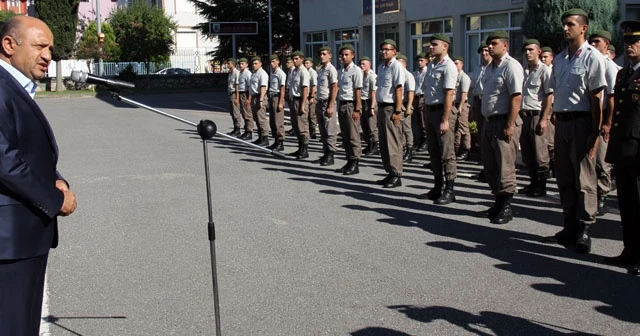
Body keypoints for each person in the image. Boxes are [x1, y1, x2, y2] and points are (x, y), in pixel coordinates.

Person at [0, 16, 77, 336]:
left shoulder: (13, 86)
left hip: (22, 235)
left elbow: (25, 151)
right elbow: (4, 160)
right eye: (40, 46)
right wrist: (55, 197)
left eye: (51, 48)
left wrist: (57, 179)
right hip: (8, 239)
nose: (48, 55)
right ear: (8, 45)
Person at [543, 8, 607, 254]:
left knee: (584, 178)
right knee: (565, 177)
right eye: (564, 24)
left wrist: (595, 132)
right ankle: (568, 226)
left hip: (582, 123)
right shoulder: (560, 59)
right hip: (563, 123)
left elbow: (596, 98)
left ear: (583, 28)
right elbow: (553, 93)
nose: (565, 28)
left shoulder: (592, 57)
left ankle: (584, 229)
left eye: (570, 24)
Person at [603, 20, 640, 275]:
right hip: (625, 148)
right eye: (626, 42)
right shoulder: (623, 73)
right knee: (627, 202)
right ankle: (630, 250)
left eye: (635, 42)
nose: (629, 46)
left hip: (639, 150)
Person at [477, 30, 524, 224]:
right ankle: (497, 202)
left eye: (494, 43)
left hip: (504, 122)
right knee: (491, 166)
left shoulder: (511, 66)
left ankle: (506, 207)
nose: (490, 47)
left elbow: (516, 97)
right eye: (489, 44)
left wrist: (510, 124)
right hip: (489, 123)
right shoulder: (490, 68)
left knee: (505, 166)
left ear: (505, 45)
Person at [419, 34, 458, 204]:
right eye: (430, 44)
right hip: (430, 111)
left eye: (434, 44)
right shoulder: (433, 65)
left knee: (447, 153)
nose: (431, 47)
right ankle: (437, 186)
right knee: (433, 152)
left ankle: (450, 190)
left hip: (442, 111)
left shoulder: (449, 66)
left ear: (445, 46)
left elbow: (449, 93)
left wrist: (445, 119)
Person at [589, 30, 620, 216]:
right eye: (591, 42)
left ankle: (602, 196)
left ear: (606, 45)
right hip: (592, 115)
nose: (593, 45)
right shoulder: (592, 62)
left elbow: (612, 97)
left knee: (601, 161)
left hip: (604, 117)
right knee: (590, 160)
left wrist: (608, 122)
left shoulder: (609, 66)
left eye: (597, 42)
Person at [519, 39, 553, 198]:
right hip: (524, 115)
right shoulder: (524, 70)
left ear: (539, 51)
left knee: (540, 154)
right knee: (527, 153)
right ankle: (533, 183)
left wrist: (544, 119)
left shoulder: (544, 70)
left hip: (537, 115)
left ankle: (541, 186)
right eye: (526, 50)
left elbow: (549, 96)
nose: (527, 53)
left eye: (531, 50)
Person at [376, 39, 405, 188]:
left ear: (394, 51)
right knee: (384, 142)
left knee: (393, 142)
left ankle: (396, 174)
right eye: (382, 49)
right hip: (381, 107)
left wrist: (398, 111)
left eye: (387, 49)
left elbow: (399, 89)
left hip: (391, 107)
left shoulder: (396, 66)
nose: (384, 51)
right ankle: (389, 172)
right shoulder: (382, 67)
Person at [336, 44, 363, 175]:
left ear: (352, 55)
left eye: (347, 54)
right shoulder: (341, 71)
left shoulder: (356, 70)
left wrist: (357, 109)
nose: (344, 57)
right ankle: (348, 160)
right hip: (342, 104)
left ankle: (355, 162)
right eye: (342, 55)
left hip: (351, 105)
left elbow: (358, 90)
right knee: (345, 136)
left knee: (353, 135)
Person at [468, 42, 491, 181]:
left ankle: (492, 170)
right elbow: (474, 89)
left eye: (486, 51)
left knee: (490, 138)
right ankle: (486, 168)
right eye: (482, 51)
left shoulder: (494, 68)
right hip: (478, 101)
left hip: (489, 102)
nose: (484, 53)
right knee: (482, 138)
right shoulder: (477, 69)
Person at [315, 46, 339, 166]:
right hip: (319, 102)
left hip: (327, 102)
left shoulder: (331, 69)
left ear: (330, 55)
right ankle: (325, 153)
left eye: (324, 54)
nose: (322, 56)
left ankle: (331, 154)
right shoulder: (321, 69)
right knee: (323, 131)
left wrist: (330, 105)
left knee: (330, 130)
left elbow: (334, 87)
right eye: (320, 54)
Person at [287, 51, 311, 159]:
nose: (295, 61)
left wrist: (302, 104)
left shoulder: (303, 71)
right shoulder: (293, 71)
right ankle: (300, 147)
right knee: (296, 125)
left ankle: (305, 150)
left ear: (301, 59)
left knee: (302, 126)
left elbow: (305, 88)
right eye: (294, 59)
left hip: (300, 100)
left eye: (297, 59)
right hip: (293, 100)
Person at [396, 53, 415, 163]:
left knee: (407, 129)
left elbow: (411, 92)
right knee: (400, 129)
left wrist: (408, 107)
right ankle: (402, 148)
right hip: (398, 104)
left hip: (405, 104)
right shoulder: (397, 74)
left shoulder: (408, 75)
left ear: (404, 63)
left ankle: (409, 149)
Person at [452, 56, 472, 161]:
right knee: (457, 129)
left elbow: (464, 93)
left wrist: (460, 106)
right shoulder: (454, 76)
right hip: (453, 104)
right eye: (454, 63)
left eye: (457, 63)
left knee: (463, 128)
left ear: (461, 64)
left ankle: (466, 149)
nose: (455, 65)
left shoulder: (464, 77)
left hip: (462, 104)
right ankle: (457, 149)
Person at [359, 56, 379, 156]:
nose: (362, 66)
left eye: (364, 64)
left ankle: (375, 146)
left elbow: (373, 93)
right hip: (363, 102)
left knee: (372, 126)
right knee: (364, 125)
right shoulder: (362, 76)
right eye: (361, 64)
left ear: (369, 65)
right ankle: (369, 144)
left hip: (370, 102)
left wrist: (372, 107)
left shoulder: (372, 76)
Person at [248, 56, 269, 146]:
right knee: (256, 118)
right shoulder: (254, 73)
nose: (254, 65)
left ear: (260, 64)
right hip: (254, 97)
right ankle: (260, 137)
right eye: (253, 64)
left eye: (256, 63)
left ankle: (265, 138)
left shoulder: (262, 73)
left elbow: (263, 87)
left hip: (260, 97)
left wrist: (260, 100)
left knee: (261, 119)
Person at [267, 54, 287, 151]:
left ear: (278, 61)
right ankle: (275, 141)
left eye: (273, 61)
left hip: (277, 97)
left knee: (278, 121)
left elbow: (282, 88)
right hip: (271, 96)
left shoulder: (280, 73)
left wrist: (281, 102)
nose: (272, 63)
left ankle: (280, 142)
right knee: (272, 121)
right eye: (271, 62)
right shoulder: (273, 73)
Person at [413, 52, 429, 152]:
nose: (419, 63)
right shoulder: (415, 73)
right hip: (416, 97)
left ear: (426, 61)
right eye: (418, 61)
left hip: (423, 97)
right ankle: (419, 140)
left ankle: (425, 140)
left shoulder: (427, 72)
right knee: (417, 121)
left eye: (421, 60)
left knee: (423, 121)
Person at [237, 58, 254, 140]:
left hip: (245, 94)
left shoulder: (248, 73)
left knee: (248, 114)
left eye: (242, 63)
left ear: (247, 64)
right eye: (240, 64)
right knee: (244, 114)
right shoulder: (241, 73)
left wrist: (249, 99)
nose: (241, 65)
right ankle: (246, 130)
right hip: (241, 93)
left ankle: (249, 132)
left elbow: (250, 87)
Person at [225, 58, 241, 136]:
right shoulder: (230, 73)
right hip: (230, 93)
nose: (227, 65)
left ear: (233, 64)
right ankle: (235, 128)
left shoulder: (236, 73)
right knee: (232, 112)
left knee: (236, 113)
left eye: (229, 63)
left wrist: (237, 98)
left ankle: (238, 129)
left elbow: (237, 86)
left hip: (234, 94)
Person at [304, 57, 318, 139]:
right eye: (305, 63)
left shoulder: (313, 73)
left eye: (307, 63)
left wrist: (312, 96)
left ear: (311, 64)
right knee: (307, 113)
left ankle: (313, 131)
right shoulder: (305, 72)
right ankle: (309, 130)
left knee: (312, 114)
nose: (306, 65)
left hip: (312, 94)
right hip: (306, 94)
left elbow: (314, 85)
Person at [284, 56, 297, 136]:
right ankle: (294, 128)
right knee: (292, 113)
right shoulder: (289, 71)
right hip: (289, 91)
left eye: (289, 62)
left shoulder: (294, 71)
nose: (287, 64)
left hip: (293, 92)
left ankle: (296, 129)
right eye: (287, 62)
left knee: (295, 113)